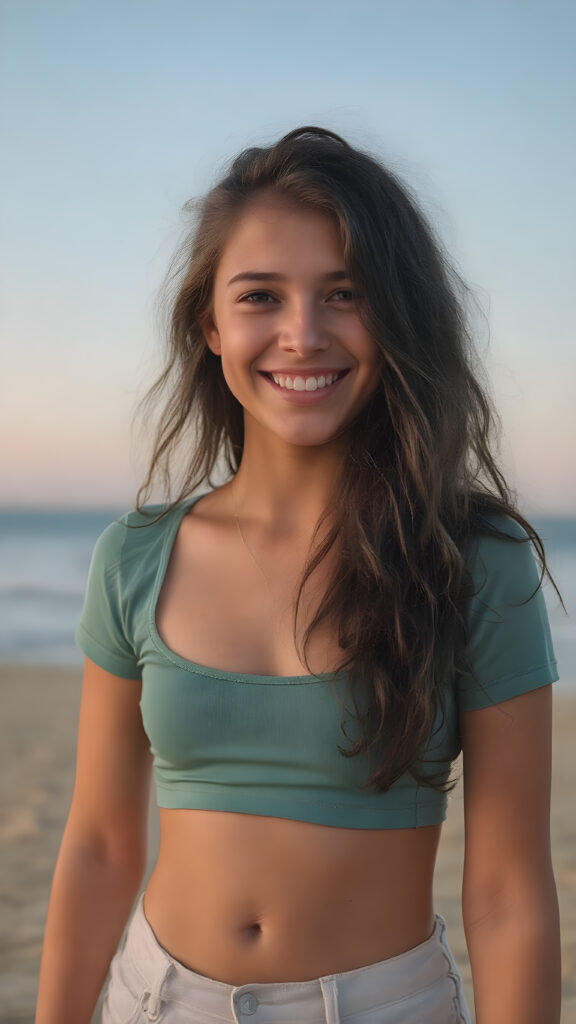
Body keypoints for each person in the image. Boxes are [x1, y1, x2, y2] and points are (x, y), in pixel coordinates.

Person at [35, 126, 561, 1024]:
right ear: (210, 323)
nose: (302, 334)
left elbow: (510, 889)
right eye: (260, 296)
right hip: (156, 1000)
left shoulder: (471, 562)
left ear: (396, 315)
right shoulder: (135, 556)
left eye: (344, 294)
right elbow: (96, 846)